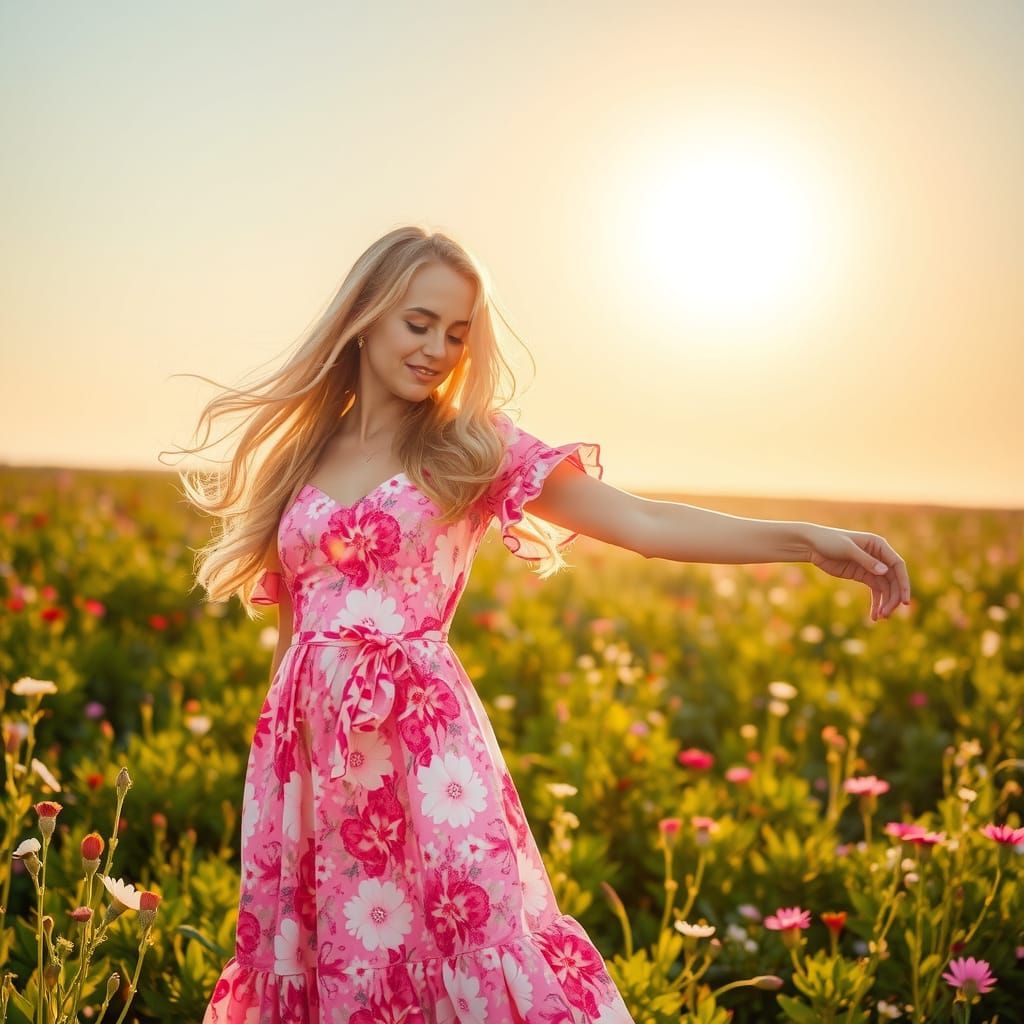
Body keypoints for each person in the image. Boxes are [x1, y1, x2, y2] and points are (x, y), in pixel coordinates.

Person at [168, 225, 910, 1023]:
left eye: (456, 334)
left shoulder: (469, 446)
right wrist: (283, 773)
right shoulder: (301, 456)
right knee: (328, 969)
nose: (436, 350)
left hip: (425, 755)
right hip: (308, 764)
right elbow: (294, 639)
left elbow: (644, 524)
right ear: (365, 315)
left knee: (466, 950)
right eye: (418, 323)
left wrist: (808, 541)